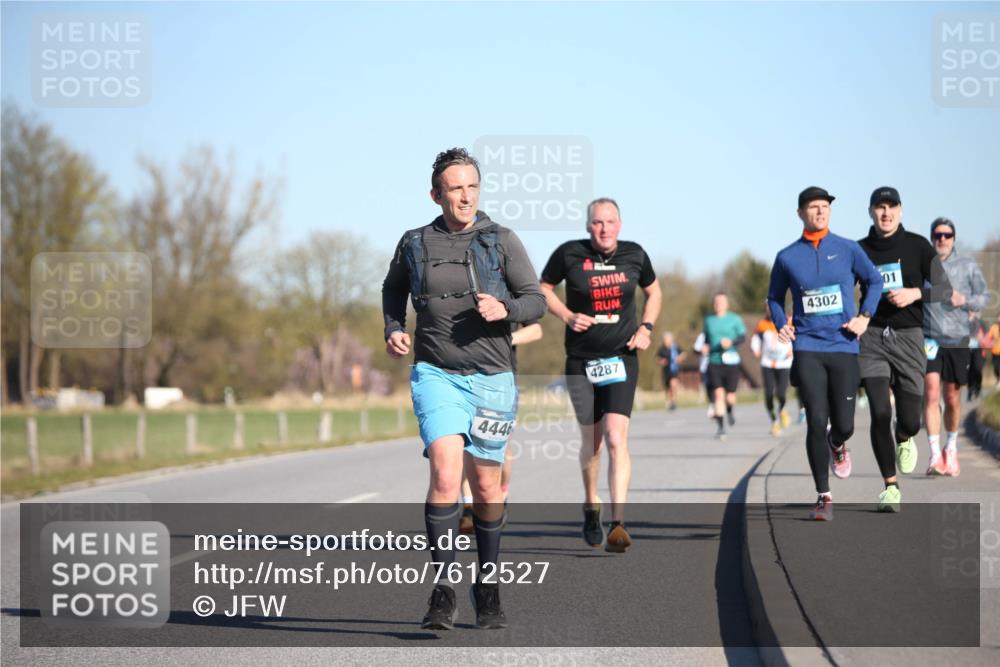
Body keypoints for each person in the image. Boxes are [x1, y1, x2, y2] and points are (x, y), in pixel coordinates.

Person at [382, 147, 546, 630]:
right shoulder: (414, 243)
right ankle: (444, 589)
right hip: (437, 373)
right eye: (455, 188)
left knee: (488, 486)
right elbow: (393, 289)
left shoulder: (502, 241)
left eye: (472, 186)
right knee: (446, 476)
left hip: (493, 378)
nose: (466, 196)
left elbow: (534, 300)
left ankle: (488, 584)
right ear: (436, 194)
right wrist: (393, 325)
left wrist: (506, 310)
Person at [540, 197, 661, 553]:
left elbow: (654, 292)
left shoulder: (635, 255)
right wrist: (565, 315)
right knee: (592, 445)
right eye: (597, 222)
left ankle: (618, 521)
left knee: (615, 437)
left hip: (622, 357)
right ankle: (591, 505)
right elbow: (542, 288)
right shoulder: (569, 253)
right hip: (581, 361)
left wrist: (647, 328)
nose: (604, 228)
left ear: (620, 225)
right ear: (588, 226)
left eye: (610, 222)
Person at [768, 186, 882, 521]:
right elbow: (774, 297)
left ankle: (838, 443)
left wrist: (864, 317)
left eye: (825, 207)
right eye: (813, 207)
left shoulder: (848, 249)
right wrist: (781, 323)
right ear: (800, 213)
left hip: (844, 345)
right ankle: (823, 495)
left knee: (843, 424)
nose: (820, 212)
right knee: (816, 420)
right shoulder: (787, 256)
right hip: (808, 348)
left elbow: (874, 281)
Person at [857, 187, 952, 511]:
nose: (886, 213)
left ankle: (905, 437)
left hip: (910, 337)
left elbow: (943, 289)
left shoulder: (917, 246)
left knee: (910, 420)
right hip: (872, 338)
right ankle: (890, 486)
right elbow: (843, 291)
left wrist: (914, 293)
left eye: (891, 207)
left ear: (901, 210)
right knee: (880, 412)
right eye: (880, 207)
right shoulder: (859, 250)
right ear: (871, 211)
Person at [459, 321, 543, 533]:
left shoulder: (510, 291)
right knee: (466, 441)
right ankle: (469, 506)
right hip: (463, 377)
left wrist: (504, 340)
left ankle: (502, 494)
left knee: (500, 447)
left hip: (501, 379)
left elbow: (536, 330)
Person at [922, 217, 987, 476]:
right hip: (929, 338)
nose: (942, 239)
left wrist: (966, 300)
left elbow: (984, 297)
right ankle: (935, 454)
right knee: (931, 393)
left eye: (947, 235)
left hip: (958, 340)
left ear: (953, 238)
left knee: (952, 398)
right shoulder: (924, 264)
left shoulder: (968, 266)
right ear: (932, 237)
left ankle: (951, 447)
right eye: (937, 234)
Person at [703, 293, 746, 439]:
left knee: (730, 397)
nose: (718, 304)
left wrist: (731, 343)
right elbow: (706, 339)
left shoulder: (734, 319)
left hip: (731, 361)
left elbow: (742, 337)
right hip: (714, 361)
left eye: (721, 302)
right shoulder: (708, 320)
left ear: (727, 304)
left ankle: (730, 410)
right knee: (718, 395)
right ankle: (721, 428)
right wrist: (705, 347)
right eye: (716, 302)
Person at [751, 308, 794, 436]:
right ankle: (774, 422)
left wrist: (793, 349)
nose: (770, 311)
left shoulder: (789, 322)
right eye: (768, 308)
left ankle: (782, 409)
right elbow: (755, 339)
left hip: (784, 363)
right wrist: (756, 349)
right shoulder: (762, 324)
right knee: (768, 394)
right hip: (767, 363)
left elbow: (796, 336)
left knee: (781, 393)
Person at [656, 332, 684, 411]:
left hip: (674, 370)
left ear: (671, 340)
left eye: (668, 340)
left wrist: (679, 358)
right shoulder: (662, 349)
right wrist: (661, 361)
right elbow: (657, 359)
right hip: (666, 371)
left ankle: (674, 402)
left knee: (673, 385)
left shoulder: (676, 347)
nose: (667, 342)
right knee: (668, 388)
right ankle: (670, 401)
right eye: (665, 340)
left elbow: (683, 354)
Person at [968, 313, 987, 401]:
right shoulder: (963, 322)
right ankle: (970, 391)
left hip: (978, 350)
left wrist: (982, 339)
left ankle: (978, 389)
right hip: (967, 350)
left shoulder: (981, 323)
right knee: (969, 371)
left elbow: (985, 337)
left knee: (977, 369)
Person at [989, 314, 1000, 388]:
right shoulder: (993, 327)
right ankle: (998, 379)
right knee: (996, 367)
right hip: (995, 351)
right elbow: (989, 338)